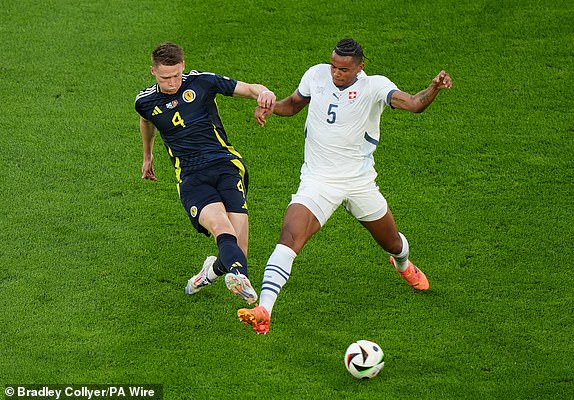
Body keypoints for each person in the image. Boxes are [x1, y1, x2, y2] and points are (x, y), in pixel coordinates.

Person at [238, 38, 452, 334]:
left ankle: (403, 264)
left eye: (343, 69)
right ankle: (264, 310)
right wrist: (271, 108)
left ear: (359, 68)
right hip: (318, 180)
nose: (336, 73)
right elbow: (292, 105)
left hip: (359, 182)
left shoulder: (374, 87)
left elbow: (414, 104)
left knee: (392, 243)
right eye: (333, 66)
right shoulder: (316, 75)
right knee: (289, 237)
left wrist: (434, 88)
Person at [134, 42, 276, 304]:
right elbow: (146, 122)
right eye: (166, 78)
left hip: (226, 165)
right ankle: (239, 276)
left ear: (183, 66)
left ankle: (211, 272)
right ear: (153, 72)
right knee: (223, 229)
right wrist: (148, 155)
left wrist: (263, 93)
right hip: (191, 177)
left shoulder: (202, 82)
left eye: (177, 75)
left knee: (237, 249)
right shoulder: (144, 102)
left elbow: (248, 88)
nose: (173, 82)